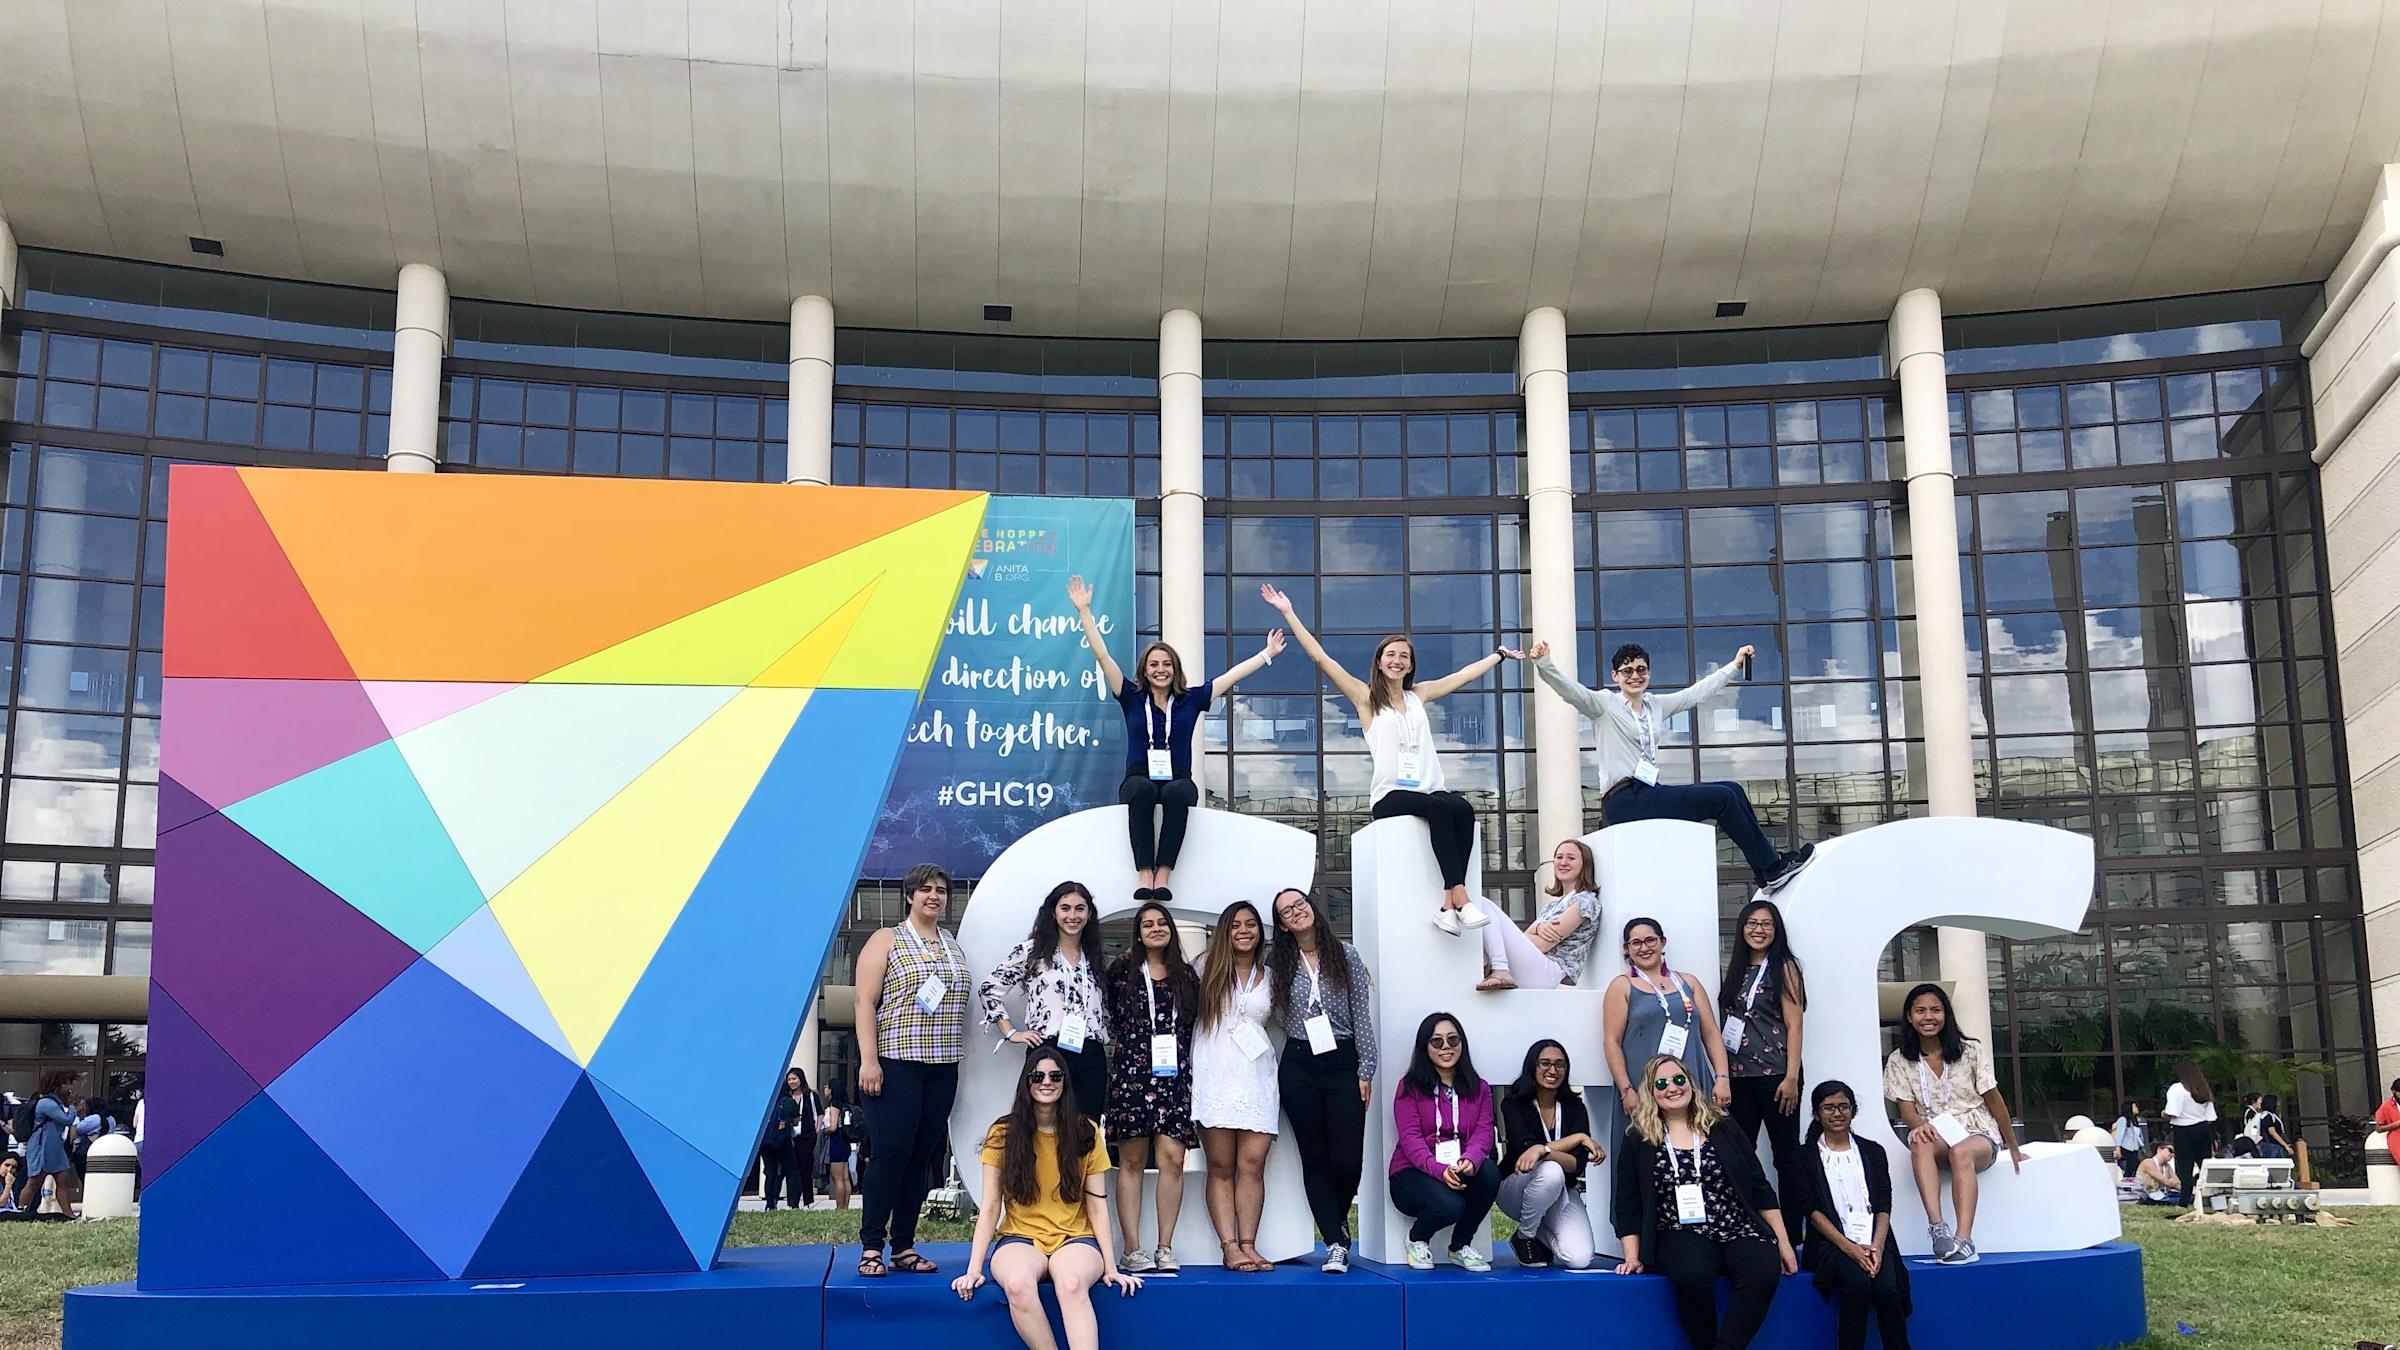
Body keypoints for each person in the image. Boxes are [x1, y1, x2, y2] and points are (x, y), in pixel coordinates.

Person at [1262, 583, 1505, 935]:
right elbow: (1321, 658)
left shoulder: (1419, 695)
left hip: (1431, 789)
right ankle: (1460, 897)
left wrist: (1498, 655)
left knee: (1463, 809)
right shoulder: (1366, 699)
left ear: (1410, 666)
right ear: (1380, 662)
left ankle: (1448, 904)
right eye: (1391, 655)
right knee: (1439, 810)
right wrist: (1288, 612)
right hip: (1391, 795)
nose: (1397, 660)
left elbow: (1461, 677)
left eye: (1404, 656)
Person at [1516, 638, 1813, 893]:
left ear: (1649, 673)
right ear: (1615, 676)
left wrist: (1734, 666)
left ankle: (1766, 872)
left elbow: (1695, 693)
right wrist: (1545, 664)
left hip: (1648, 793)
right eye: (1628, 671)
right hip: (1623, 800)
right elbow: (1571, 691)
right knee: (1722, 798)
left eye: (1641, 669)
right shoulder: (1604, 704)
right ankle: (1773, 868)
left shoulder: (1655, 706)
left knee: (1732, 789)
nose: (1635, 675)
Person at [1069, 575, 1284, 901]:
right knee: (1139, 790)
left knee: (1178, 793)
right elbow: (1103, 657)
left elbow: (1231, 676)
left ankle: (1163, 875)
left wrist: (1266, 653)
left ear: (1175, 668)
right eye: (1154, 664)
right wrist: (1084, 611)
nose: (1160, 669)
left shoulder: (1191, 699)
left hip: (1178, 778)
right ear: (1145, 669)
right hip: (1139, 775)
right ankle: (1145, 873)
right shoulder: (1129, 695)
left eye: (1166, 664)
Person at [952, 1049, 1142, 1350]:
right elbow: (990, 1207)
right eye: (1038, 1076)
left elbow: (1096, 1203)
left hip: (1076, 1237)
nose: (1047, 1082)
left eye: (1055, 1076)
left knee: (1071, 1283)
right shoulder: (1003, 1133)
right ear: (1026, 1082)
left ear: (1065, 1082)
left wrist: (1111, 1267)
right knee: (1017, 1284)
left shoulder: (1085, 1131)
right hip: (1019, 1237)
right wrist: (974, 1269)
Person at [1611, 1054, 1798, 1350]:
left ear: (1691, 1083)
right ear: (1651, 1091)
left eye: (1679, 1079)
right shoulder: (1639, 1138)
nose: (1672, 1087)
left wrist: (1784, 1243)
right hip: (1679, 1231)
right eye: (1662, 1083)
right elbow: (1628, 1202)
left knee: (1763, 1272)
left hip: (1737, 1226)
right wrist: (1631, 1256)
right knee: (1691, 1277)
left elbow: (1760, 1187)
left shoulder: (1722, 1126)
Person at [853, 862, 972, 1278]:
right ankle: (872, 1246)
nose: (934, 896)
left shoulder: (952, 944)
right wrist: (869, 1060)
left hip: (942, 1065)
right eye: (925, 889)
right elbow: (864, 1002)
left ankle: (904, 1245)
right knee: (891, 1154)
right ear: (909, 895)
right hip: (895, 1062)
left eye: (941, 889)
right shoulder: (887, 939)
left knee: (922, 1157)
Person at [1267, 887, 1377, 1274]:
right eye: (1286, 912)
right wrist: (1303, 1028)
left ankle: (1337, 1219)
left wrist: (1367, 1068)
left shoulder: (1345, 955)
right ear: (1281, 925)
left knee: (1347, 1159)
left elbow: (1361, 1013)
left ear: (1313, 907)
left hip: (1343, 1059)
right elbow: (1277, 1013)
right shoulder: (1278, 964)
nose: (1296, 913)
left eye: (1300, 904)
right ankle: (1335, 1241)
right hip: (1299, 1062)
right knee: (1313, 1157)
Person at [1883, 983, 2028, 1263]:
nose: (1928, 1017)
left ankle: (1964, 1240)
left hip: (1976, 1132)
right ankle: (1938, 1229)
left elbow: (1994, 1099)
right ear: (1909, 1017)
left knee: (1960, 1152)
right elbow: (1906, 1109)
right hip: (1936, 1131)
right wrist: (1917, 1125)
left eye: (1935, 1010)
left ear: (1946, 1015)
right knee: (1921, 1143)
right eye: (1920, 1011)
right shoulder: (1899, 1060)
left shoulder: (1970, 1050)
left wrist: (2013, 1145)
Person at [1102, 901, 1200, 1274]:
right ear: (1138, 931)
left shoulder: (1186, 975)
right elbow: (1110, 1015)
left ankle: (1164, 1247)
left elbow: (1193, 1024)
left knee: (1173, 1158)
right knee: (1131, 1160)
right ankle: (1132, 1248)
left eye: (1162, 923)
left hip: (1174, 1077)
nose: (1156, 928)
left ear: (1171, 929)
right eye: (1148, 924)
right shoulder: (1122, 970)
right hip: (1131, 1074)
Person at [1784, 1081, 1912, 1350]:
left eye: (1843, 1106)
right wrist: (1850, 1248)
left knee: (1888, 1291)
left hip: (1875, 1242)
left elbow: (1883, 1203)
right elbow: (1812, 1210)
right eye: (1828, 1108)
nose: (1837, 1113)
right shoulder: (1804, 1156)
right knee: (1858, 1285)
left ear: (1853, 1111)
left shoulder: (1873, 1151)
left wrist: (1876, 1246)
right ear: (1817, 1114)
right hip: (1830, 1245)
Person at [1190, 900, 1278, 1272]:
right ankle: (1229, 1245)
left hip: (1257, 1075)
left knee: (1253, 1164)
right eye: (1235, 925)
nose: (1244, 931)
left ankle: (1249, 1243)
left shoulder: (1272, 976)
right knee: (1221, 1165)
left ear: (1260, 932)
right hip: (1214, 1072)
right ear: (1224, 931)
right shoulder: (1203, 968)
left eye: (1251, 925)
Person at [981, 882, 1111, 1118]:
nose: (1072, 915)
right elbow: (989, 989)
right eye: (1065, 908)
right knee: (1043, 1128)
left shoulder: (1093, 955)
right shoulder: (1032, 951)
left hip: (1091, 1055)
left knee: (1085, 1131)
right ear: (1054, 912)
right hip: (1048, 1052)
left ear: (1089, 914)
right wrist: (1012, 1033)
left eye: (1080, 908)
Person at [1387, 1012, 1500, 1271]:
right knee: (1450, 1206)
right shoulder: (1409, 1087)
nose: (1446, 1047)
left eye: (1453, 1040)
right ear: (1424, 1047)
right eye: (1437, 1042)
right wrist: (1440, 1170)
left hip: (1460, 1167)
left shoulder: (1479, 1087)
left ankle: (1460, 1246)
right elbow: (1410, 1138)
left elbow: (1484, 1131)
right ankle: (1417, 1239)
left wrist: (1470, 1159)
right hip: (1412, 1173)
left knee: (1490, 1172)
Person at [1603, 918, 1733, 1121]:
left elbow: (1711, 1033)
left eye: (1650, 940)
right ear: (1626, 948)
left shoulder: (1689, 982)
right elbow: (1612, 1042)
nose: (1644, 947)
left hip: (1692, 1081)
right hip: (1644, 1086)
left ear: (1662, 942)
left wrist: (1722, 1077)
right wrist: (1626, 1089)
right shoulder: (1622, 986)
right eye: (1636, 943)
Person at [1497, 1039, 1602, 1270]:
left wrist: (1542, 1150)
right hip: (1516, 1187)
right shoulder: (1514, 1103)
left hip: (1561, 1190)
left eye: (1560, 1065)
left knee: (1579, 1259)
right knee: (1552, 1171)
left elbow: (1577, 1165)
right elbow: (1524, 1148)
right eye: (1545, 1063)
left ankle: (1536, 1233)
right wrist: (1578, 1139)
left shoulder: (1575, 1107)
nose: (1553, 1070)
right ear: (1532, 1067)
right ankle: (1525, 1236)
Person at [1718, 898, 1806, 1171]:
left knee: (1787, 1154)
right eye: (1753, 923)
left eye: (1767, 924)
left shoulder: (1785, 967)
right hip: (1739, 1075)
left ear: (1776, 930)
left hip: (1776, 1075)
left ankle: (1792, 1215)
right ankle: (1752, 1214)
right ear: (1742, 928)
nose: (1759, 930)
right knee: (1740, 1152)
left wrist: (1791, 1077)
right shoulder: (1737, 968)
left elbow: (1795, 1025)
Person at [1476, 839, 1602, 992]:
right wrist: (1539, 927)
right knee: (1479, 914)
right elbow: (1527, 938)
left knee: (1483, 904)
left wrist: (1530, 932)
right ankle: (1488, 967)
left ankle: (1500, 968)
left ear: (1585, 865)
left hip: (1548, 972)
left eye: (1571, 858)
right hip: (1534, 967)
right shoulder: (1551, 906)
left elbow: (1541, 945)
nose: (1563, 862)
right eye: (1559, 857)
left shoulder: (1586, 901)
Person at [15, 1072, 79, 1219]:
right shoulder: (46, 1103)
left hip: (55, 1148)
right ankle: (20, 1211)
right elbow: (66, 1120)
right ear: (56, 1086)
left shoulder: (55, 1103)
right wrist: (73, 1106)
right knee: (34, 1182)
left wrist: (69, 1105)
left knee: (62, 1180)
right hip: (41, 1147)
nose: (70, 1087)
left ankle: (68, 1214)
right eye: (67, 1083)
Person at [2161, 1061, 2218, 1207]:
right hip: (2203, 1129)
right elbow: (2211, 1117)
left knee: (2185, 1168)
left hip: (2183, 1131)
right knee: (2205, 1167)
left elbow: (2172, 1112)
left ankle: (2184, 1201)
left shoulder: (2177, 1089)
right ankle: (2212, 1200)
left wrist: (2163, 1114)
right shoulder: (2203, 1089)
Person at [761, 1068, 819, 1210]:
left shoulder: (768, 1099)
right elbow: (795, 1120)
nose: (791, 1082)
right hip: (784, 1141)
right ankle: (793, 1204)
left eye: (794, 1079)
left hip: (767, 1142)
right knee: (792, 1172)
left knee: (771, 1173)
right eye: (789, 1079)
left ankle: (770, 1204)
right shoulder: (788, 1102)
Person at [821, 1086, 856, 1211]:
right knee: (845, 1177)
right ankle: (845, 1206)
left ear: (831, 1090)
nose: (825, 1089)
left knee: (837, 1178)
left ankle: (840, 1207)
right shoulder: (845, 1105)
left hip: (836, 1142)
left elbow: (833, 1127)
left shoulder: (834, 1106)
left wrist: (824, 1131)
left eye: (826, 1087)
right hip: (845, 1143)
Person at [2110, 1100, 2148, 1178]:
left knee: (2134, 1167)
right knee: (2129, 1168)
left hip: (2134, 1148)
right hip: (2126, 1148)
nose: (2137, 1108)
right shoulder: (2123, 1119)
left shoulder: (2134, 1120)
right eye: (2134, 1106)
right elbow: (2119, 1134)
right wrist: (2118, 1147)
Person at [2254, 1094, 2292, 1161]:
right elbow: (2272, 1132)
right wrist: (2285, 1145)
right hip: (2270, 1145)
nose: (2278, 1104)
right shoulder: (2267, 1115)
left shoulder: (2270, 1115)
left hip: (2270, 1145)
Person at [2374, 1077, 2400, 1168]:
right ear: (2394, 1091)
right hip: (2397, 1139)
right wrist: (2396, 1124)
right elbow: (2378, 1128)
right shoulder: (2386, 1106)